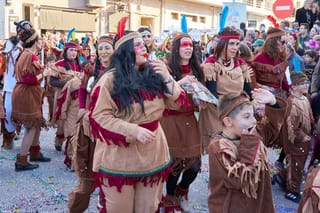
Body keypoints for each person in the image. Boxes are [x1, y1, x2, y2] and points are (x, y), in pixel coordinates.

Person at [89, 31, 189, 213]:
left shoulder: (155, 74)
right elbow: (99, 117)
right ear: (126, 52)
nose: (144, 47)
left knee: (149, 208)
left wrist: (167, 78)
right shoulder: (109, 80)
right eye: (137, 44)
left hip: (153, 154)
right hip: (119, 158)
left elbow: (178, 104)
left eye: (144, 43)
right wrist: (133, 131)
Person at [208, 88, 287, 213]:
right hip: (234, 207)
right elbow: (240, 180)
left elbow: (271, 128)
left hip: (259, 205)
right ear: (228, 121)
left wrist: (273, 102)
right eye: (247, 117)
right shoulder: (219, 147)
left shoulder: (251, 133)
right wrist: (249, 143)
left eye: (253, 115)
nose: (254, 121)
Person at [67, 35, 115, 213]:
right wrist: (81, 107)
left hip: (109, 127)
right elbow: (81, 89)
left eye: (107, 48)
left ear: (114, 50)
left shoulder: (120, 70)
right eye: (100, 48)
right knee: (88, 170)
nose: (103, 52)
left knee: (107, 168)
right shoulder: (90, 68)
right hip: (90, 125)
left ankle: (105, 203)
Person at [160, 33, 203, 212]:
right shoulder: (166, 68)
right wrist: (180, 82)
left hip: (189, 120)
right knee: (174, 164)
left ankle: (182, 190)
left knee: (194, 165)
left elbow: (203, 93)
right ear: (176, 48)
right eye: (184, 45)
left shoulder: (198, 69)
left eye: (190, 45)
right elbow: (161, 94)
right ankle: (169, 198)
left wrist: (202, 98)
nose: (188, 48)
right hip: (170, 119)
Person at [200, 27, 252, 152]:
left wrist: (251, 107)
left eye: (237, 44)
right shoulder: (211, 64)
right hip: (217, 112)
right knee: (222, 150)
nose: (235, 47)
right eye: (231, 44)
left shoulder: (241, 65)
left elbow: (248, 92)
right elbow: (212, 95)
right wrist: (231, 112)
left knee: (238, 152)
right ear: (223, 44)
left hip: (237, 111)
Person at [12, 28, 51, 171]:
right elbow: (29, 79)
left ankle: (34, 152)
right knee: (31, 127)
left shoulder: (25, 54)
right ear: (35, 42)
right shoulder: (30, 56)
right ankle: (22, 160)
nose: (42, 42)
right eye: (40, 39)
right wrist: (44, 73)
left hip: (27, 93)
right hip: (27, 93)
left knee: (36, 124)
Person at [273, 72, 314, 203]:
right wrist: (301, 136)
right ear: (294, 86)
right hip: (295, 141)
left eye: (306, 82)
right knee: (295, 165)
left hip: (305, 139)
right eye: (302, 83)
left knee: (299, 164)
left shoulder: (305, 99)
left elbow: (310, 118)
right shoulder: (292, 102)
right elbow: (290, 125)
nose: (306, 85)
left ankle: (281, 177)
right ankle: (292, 191)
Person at [1, 21, 31, 150]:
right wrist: (18, 46)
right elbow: (7, 56)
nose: (27, 31)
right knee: (8, 112)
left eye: (29, 29)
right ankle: (9, 136)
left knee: (27, 112)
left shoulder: (32, 44)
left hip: (26, 84)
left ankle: (28, 142)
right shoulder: (11, 42)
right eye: (25, 28)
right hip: (10, 84)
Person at [48, 41, 81, 155]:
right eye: (71, 50)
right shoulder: (59, 64)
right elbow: (52, 82)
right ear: (66, 51)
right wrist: (68, 83)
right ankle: (59, 141)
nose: (73, 53)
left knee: (72, 122)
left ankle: (70, 145)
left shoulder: (79, 65)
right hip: (62, 97)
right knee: (62, 120)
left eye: (76, 51)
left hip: (75, 98)